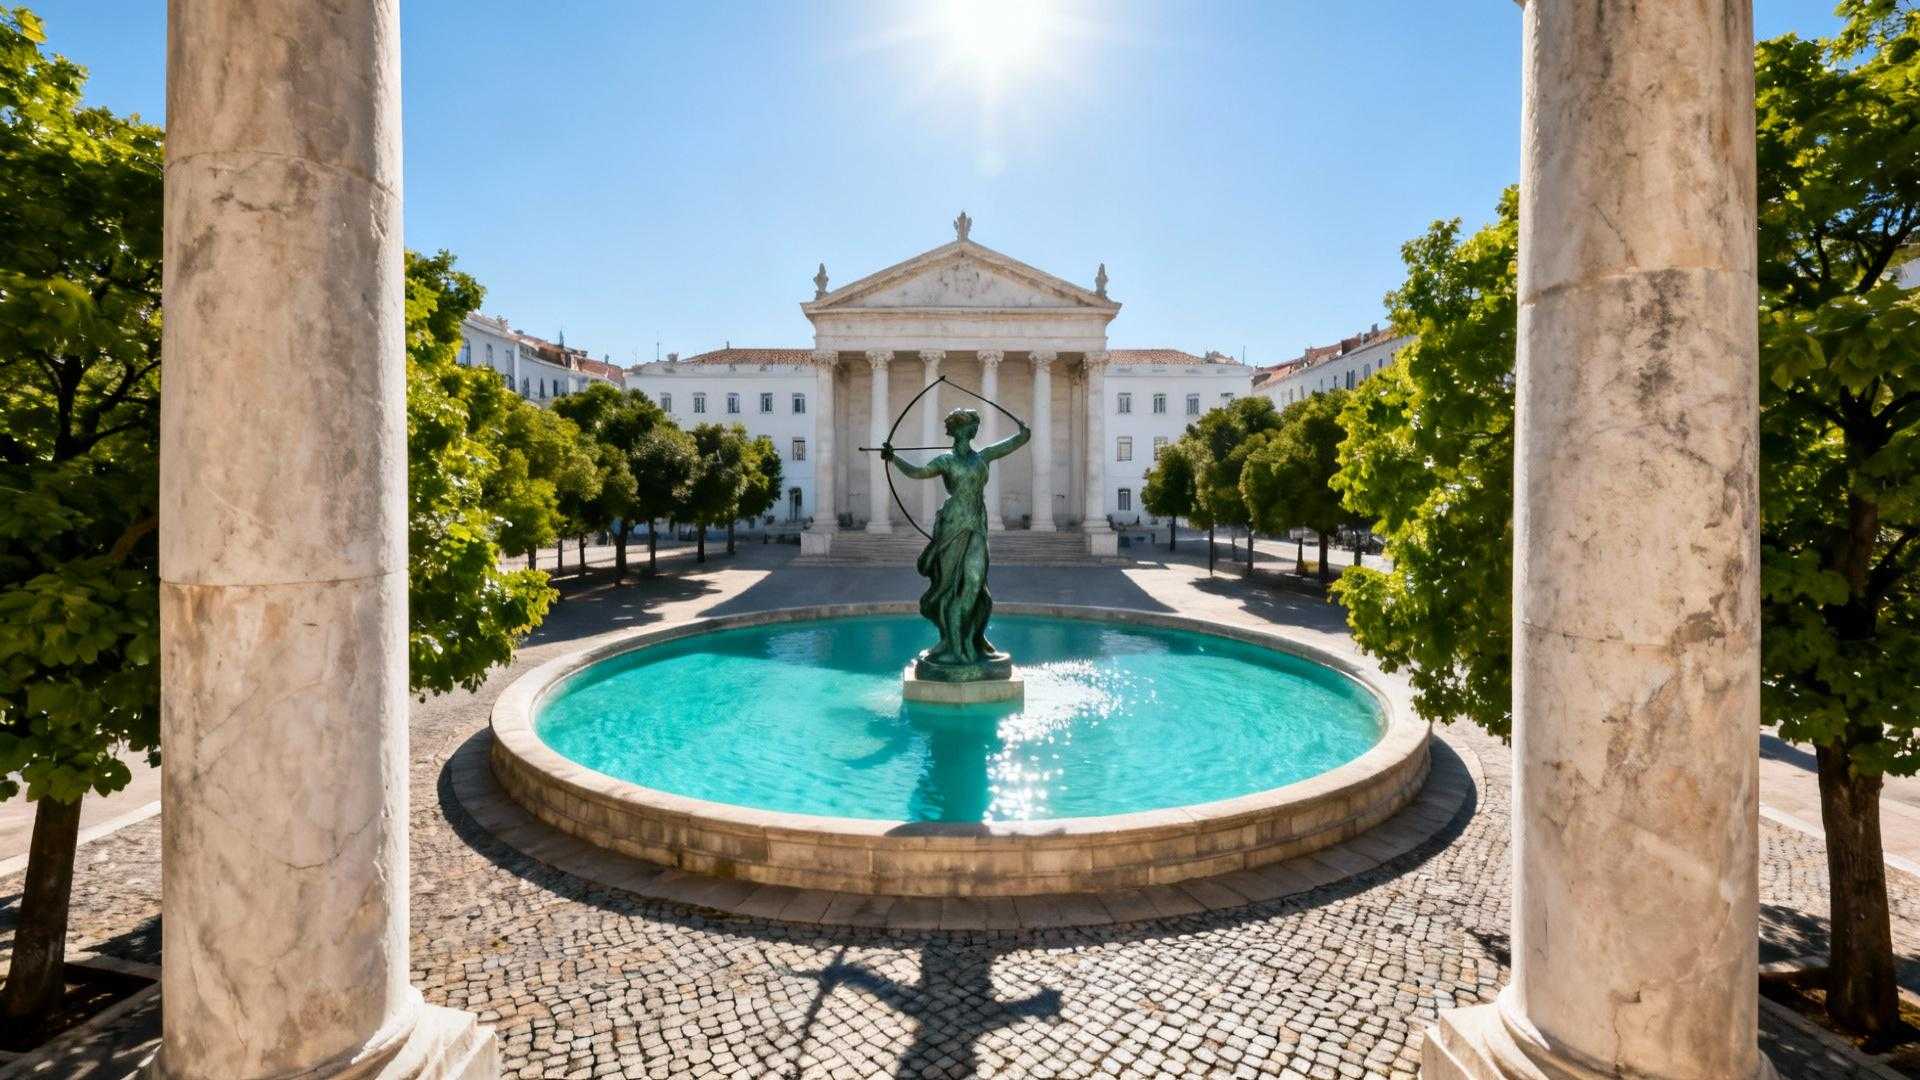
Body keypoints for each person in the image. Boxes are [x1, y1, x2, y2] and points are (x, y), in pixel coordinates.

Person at [882, 407, 1029, 668]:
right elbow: (918, 473)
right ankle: (954, 648)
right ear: (959, 429)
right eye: (972, 424)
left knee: (976, 584)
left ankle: (972, 639)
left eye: (976, 425)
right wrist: (893, 459)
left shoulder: (983, 456)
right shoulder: (945, 460)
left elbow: (1015, 443)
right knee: (950, 588)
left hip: (976, 525)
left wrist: (1023, 432)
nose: (975, 429)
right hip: (952, 526)